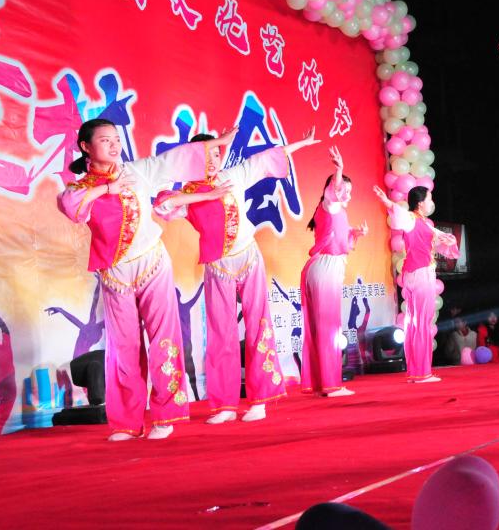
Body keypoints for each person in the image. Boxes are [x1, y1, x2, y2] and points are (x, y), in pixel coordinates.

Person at [57, 118, 234, 440]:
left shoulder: (136, 172)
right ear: (85, 147)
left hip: (152, 263)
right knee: (123, 346)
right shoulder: (80, 188)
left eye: (116, 139)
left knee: (164, 336)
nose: (114, 145)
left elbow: (172, 159)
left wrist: (218, 143)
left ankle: (166, 416)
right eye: (105, 140)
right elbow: (70, 207)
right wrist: (107, 189)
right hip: (115, 273)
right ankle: (127, 422)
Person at [154, 127, 319, 423]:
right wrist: (203, 195)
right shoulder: (187, 193)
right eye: (205, 156)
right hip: (217, 265)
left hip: (248, 258)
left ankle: (260, 400)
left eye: (216, 155)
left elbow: (265, 159)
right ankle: (225, 405)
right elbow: (163, 205)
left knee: (259, 325)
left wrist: (301, 143)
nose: (213, 161)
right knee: (221, 332)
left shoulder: (233, 176)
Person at [300, 146, 368, 397]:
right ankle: (331, 385)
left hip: (324, 267)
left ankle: (321, 384)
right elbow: (334, 191)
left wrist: (356, 234)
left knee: (322, 327)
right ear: (332, 190)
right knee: (329, 327)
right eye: (342, 189)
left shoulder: (337, 212)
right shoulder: (330, 205)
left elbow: (343, 242)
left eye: (349, 191)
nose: (347, 194)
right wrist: (339, 170)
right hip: (325, 268)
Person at [373, 185, 459, 383]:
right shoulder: (412, 218)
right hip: (421, 274)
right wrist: (387, 202)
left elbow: (441, 241)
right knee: (421, 323)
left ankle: (415, 371)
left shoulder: (423, 223)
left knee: (415, 323)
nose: (431, 202)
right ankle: (421, 372)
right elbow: (399, 213)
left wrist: (448, 240)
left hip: (414, 274)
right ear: (420, 203)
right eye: (429, 199)